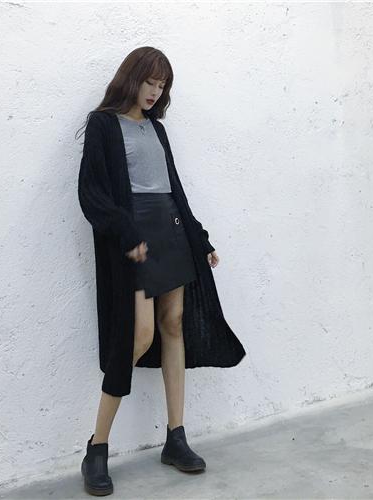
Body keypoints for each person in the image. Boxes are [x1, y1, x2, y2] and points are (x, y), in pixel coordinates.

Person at [75, 47, 246, 496]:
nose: (155, 92)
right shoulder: (103, 125)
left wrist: (199, 238)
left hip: (170, 233)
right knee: (139, 336)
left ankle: (176, 437)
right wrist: (125, 234)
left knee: (173, 325)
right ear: (131, 79)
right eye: (150, 82)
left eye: (162, 85)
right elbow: (92, 194)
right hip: (135, 240)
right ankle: (97, 447)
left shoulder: (157, 129)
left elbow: (175, 190)